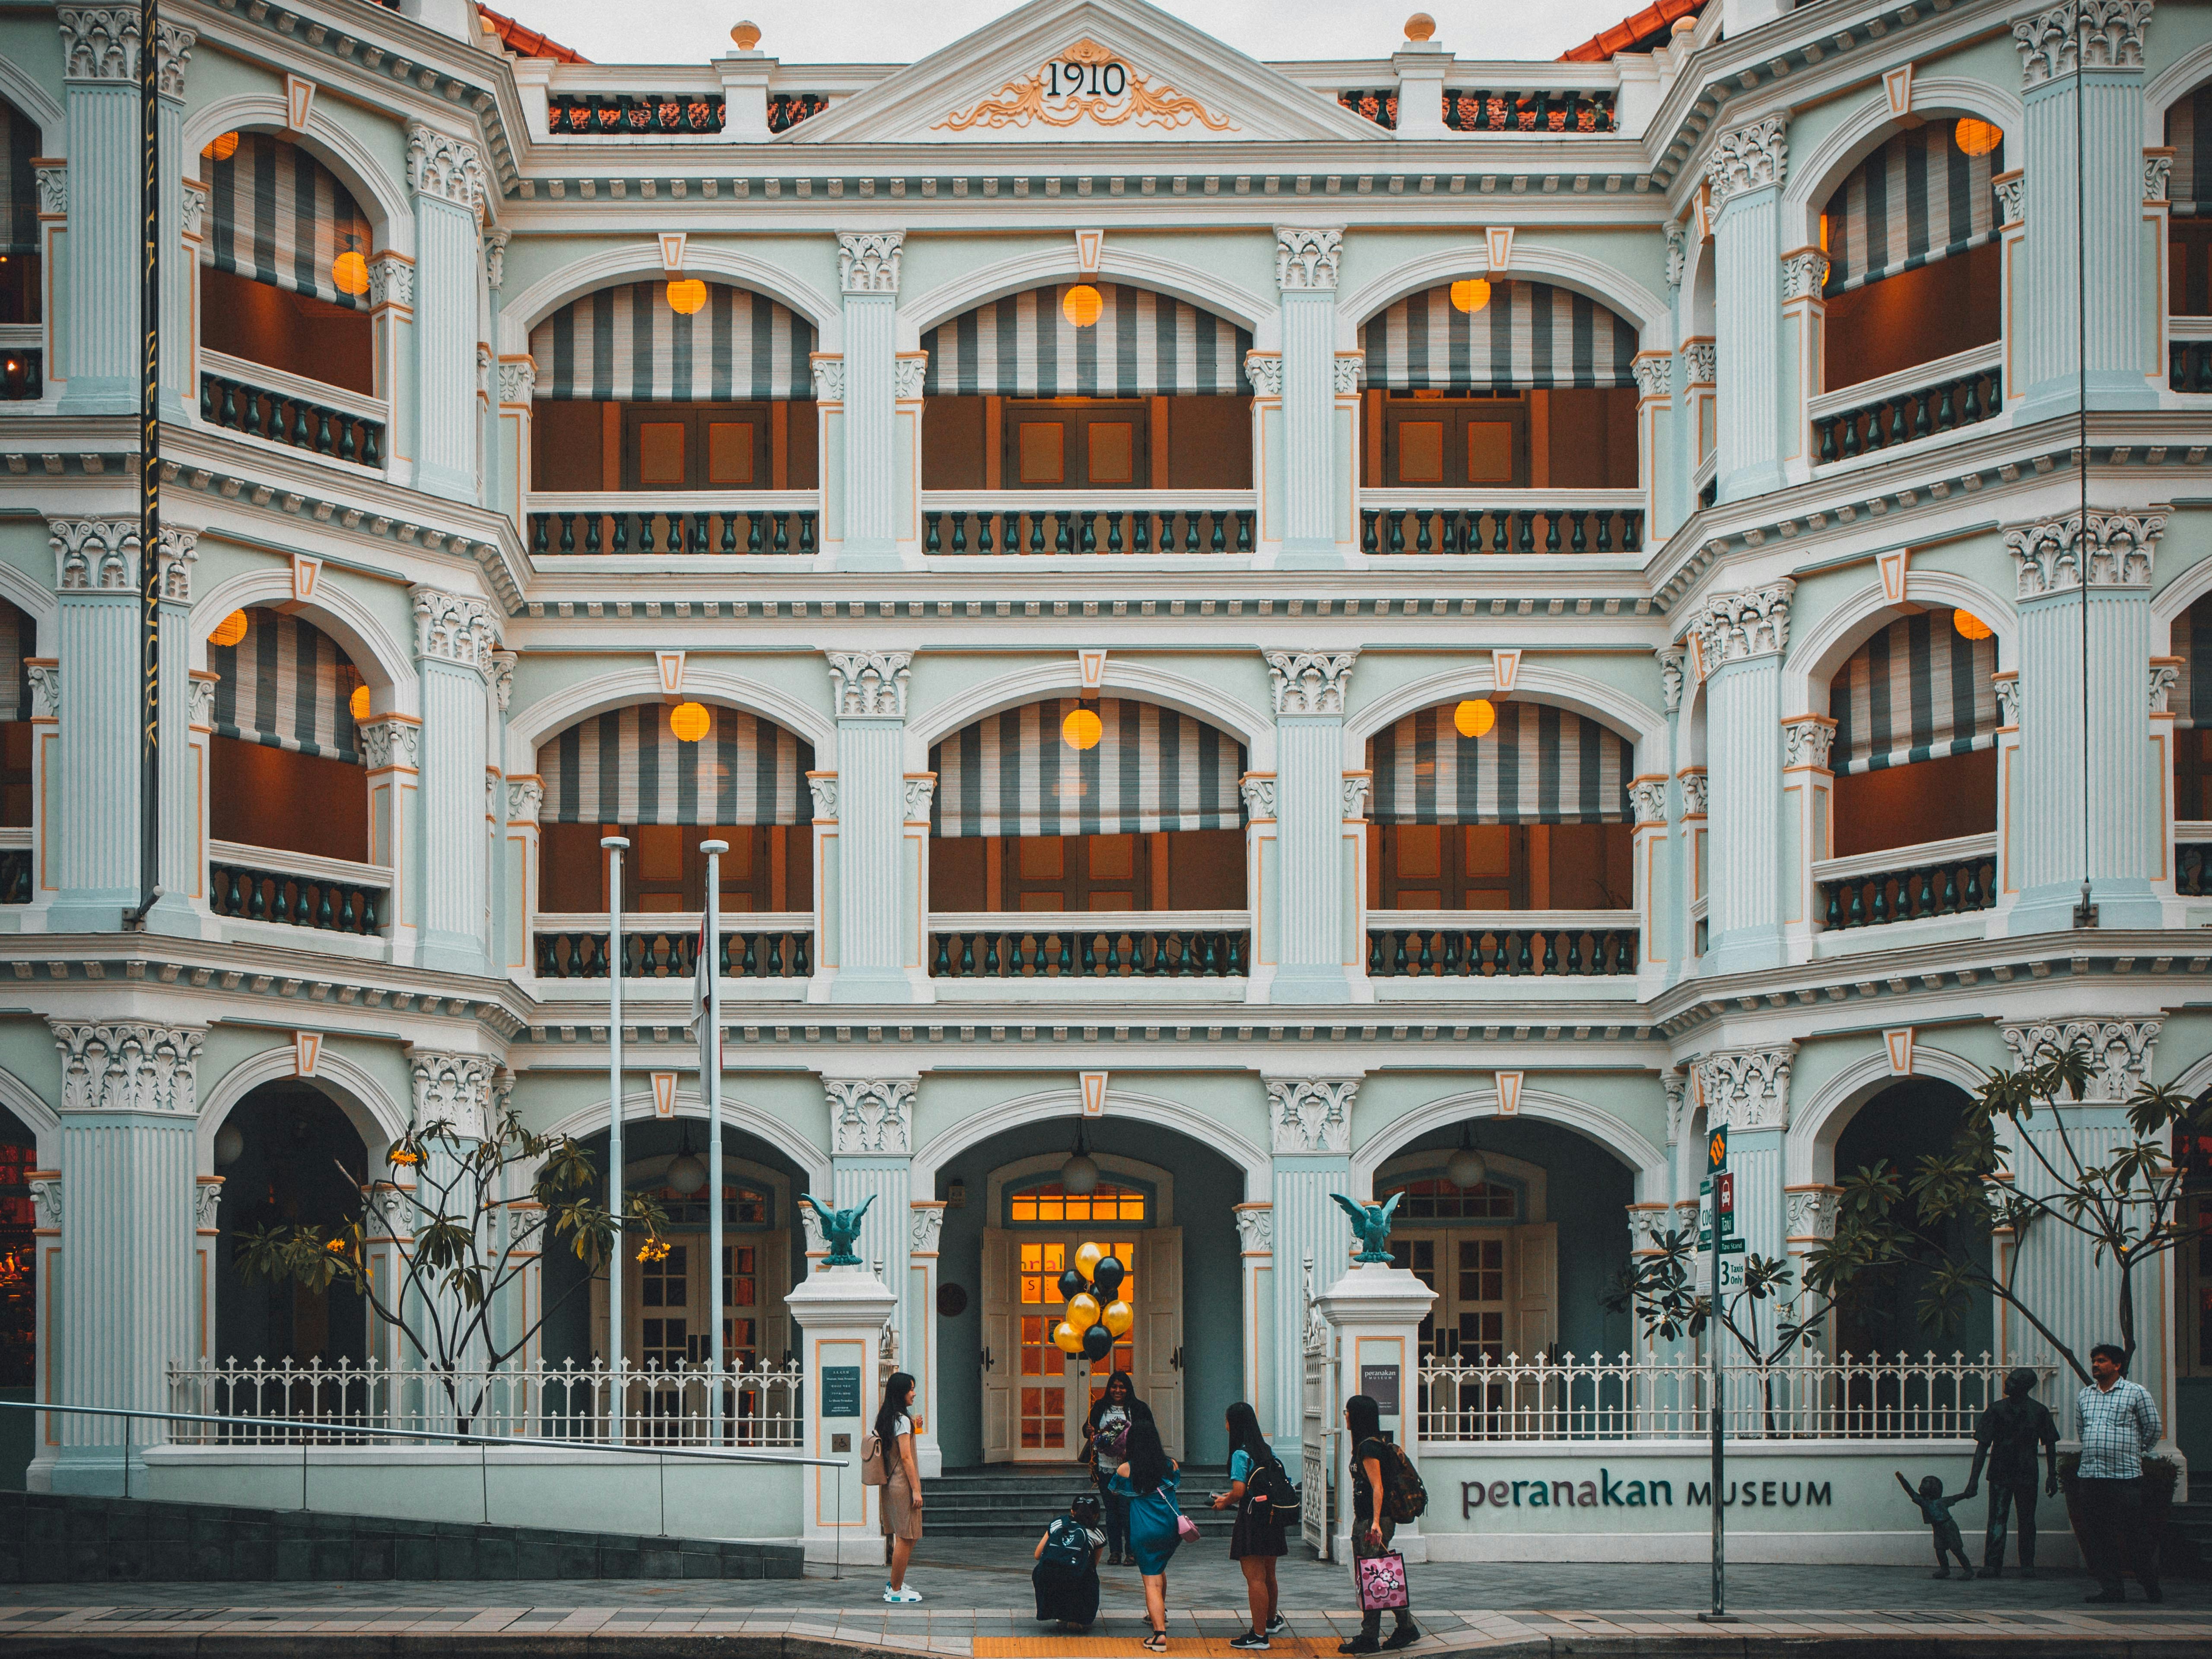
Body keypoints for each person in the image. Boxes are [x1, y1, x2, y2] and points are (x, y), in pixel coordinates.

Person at [2074, 1343, 2164, 1604]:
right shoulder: (2085, 1395)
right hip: (2091, 1476)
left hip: (2125, 1478)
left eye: (2102, 1361)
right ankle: (2112, 1589)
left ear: (2117, 1365)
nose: (2095, 1365)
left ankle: (2149, 1585)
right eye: (2094, 1361)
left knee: (2135, 1535)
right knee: (2099, 1537)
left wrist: (2137, 1449)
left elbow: (2153, 1428)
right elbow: (2083, 1429)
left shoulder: (2136, 1393)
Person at [1342, 1394, 1418, 1655]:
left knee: (1371, 1577)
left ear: (1358, 1415)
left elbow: (1378, 1488)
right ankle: (1406, 1627)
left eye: (1348, 1412)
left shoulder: (1369, 1447)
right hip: (1374, 1520)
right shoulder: (1373, 1444)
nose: (1346, 1417)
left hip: (1372, 1522)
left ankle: (1369, 1637)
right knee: (1381, 1575)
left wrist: (1374, 1523)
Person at [1968, 1366, 2059, 1579]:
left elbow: (2050, 1444)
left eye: (2013, 1381)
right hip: (2001, 1471)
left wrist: (2052, 1475)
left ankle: (2027, 1564)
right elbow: (1982, 1446)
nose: (2007, 1384)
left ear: (2025, 1387)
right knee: (1997, 1518)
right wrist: (1974, 1480)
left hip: (2027, 1472)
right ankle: (1992, 1564)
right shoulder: (1996, 1410)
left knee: (2027, 1519)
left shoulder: (2039, 1411)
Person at [1211, 1400, 1288, 1651]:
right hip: (1272, 1518)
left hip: (1252, 1520)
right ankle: (1271, 1620)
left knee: (1255, 1578)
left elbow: (1239, 1490)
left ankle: (1258, 1635)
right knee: (1269, 1574)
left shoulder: (1240, 1454)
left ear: (1232, 1424)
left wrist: (1225, 1501)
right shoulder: (1266, 1449)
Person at [1109, 1397, 1182, 1653]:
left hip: (1144, 1531)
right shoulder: (1170, 1465)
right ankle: (1159, 1614)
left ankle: (1159, 1634)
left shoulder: (1126, 1471)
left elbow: (1115, 1492)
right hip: (1171, 1529)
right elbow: (1175, 1483)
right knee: (1160, 1570)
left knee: (1151, 1581)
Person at [875, 1370, 925, 1605]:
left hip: (890, 1483)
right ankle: (895, 1589)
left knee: (904, 1536)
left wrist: (914, 1426)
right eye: (911, 1390)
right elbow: (906, 1458)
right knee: (907, 1537)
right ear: (901, 1393)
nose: (914, 1394)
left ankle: (896, 1582)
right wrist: (916, 1490)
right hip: (903, 1485)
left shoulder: (888, 1417)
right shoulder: (902, 1421)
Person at [1084, 1371, 1138, 1566]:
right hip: (1105, 1467)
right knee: (1112, 1511)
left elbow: (1147, 1432)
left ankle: (1132, 1552)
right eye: (1114, 1387)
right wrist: (1088, 1431)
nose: (1118, 1390)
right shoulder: (1100, 1407)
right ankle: (1115, 1551)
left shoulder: (1137, 1408)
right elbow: (1087, 1428)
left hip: (1129, 1469)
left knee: (1127, 1510)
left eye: (1122, 1387)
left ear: (1128, 1388)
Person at [1032, 1493, 1106, 1631]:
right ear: (1096, 1515)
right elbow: (1092, 1565)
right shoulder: (1097, 1534)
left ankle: (1059, 1613)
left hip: (1047, 1577)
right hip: (1076, 1581)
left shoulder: (1058, 1524)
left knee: (1043, 1571)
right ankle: (1078, 1618)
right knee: (1087, 1576)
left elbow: (1038, 1555)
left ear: (1072, 1511)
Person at [1893, 1471, 1975, 1579]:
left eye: (1926, 1483)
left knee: (1957, 1550)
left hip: (1949, 1527)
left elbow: (1956, 1498)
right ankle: (1945, 1569)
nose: (1922, 1485)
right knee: (1940, 1550)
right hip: (1937, 1528)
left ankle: (1968, 1570)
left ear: (1934, 1488)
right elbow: (1910, 1491)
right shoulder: (1922, 1501)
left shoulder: (1942, 1501)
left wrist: (1966, 1495)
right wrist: (1902, 1479)